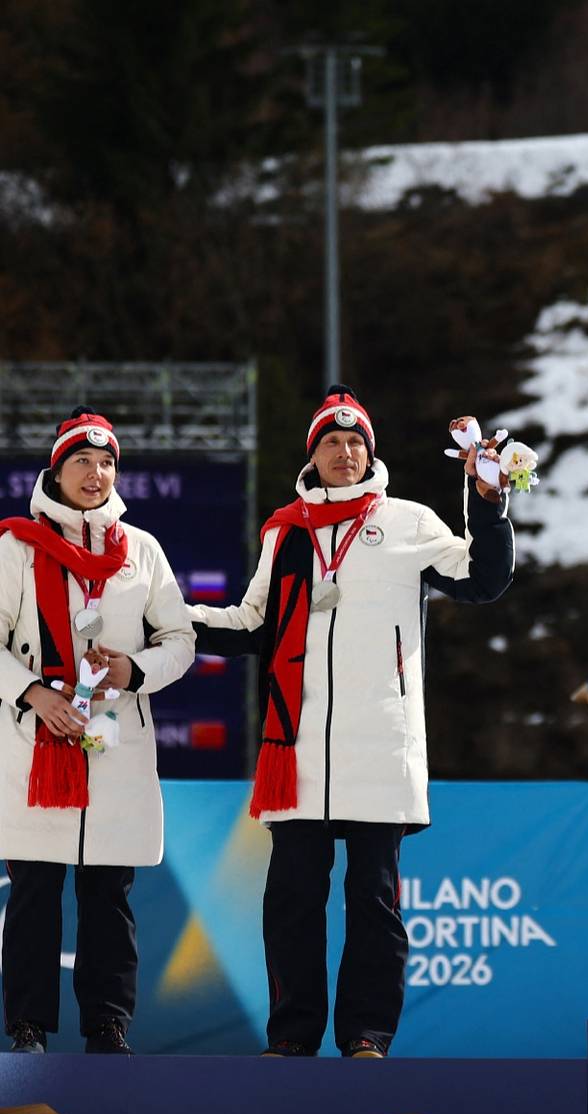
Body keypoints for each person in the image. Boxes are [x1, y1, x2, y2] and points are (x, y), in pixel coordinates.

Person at [190, 385, 514, 1058]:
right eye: (332, 442)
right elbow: (254, 624)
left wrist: (488, 505)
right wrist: (171, 619)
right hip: (298, 750)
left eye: (356, 441)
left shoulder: (410, 521)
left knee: (374, 904)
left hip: (381, 749)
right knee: (292, 907)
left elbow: (484, 580)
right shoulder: (285, 530)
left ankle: (367, 1037)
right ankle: (292, 1040)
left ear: (372, 453)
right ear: (313, 455)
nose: (345, 451)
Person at [0, 408, 194, 1054]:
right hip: (36, 741)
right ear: (54, 472)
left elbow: (181, 640)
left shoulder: (141, 551)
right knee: (34, 892)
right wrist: (32, 692)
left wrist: (132, 670)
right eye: (82, 461)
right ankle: (28, 1028)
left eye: (107, 462)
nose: (96, 473)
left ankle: (108, 1027)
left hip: (115, 747)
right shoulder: (16, 548)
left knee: (109, 896)